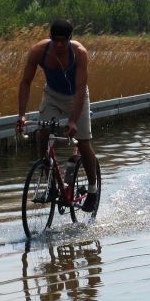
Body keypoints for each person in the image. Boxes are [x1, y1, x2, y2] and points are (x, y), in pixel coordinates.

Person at [15, 19, 99, 212]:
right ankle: (51, 184)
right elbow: (25, 82)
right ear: (50, 37)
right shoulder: (39, 51)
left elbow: (79, 90)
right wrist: (21, 115)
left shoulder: (79, 53)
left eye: (63, 41)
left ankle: (93, 190)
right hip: (52, 95)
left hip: (76, 97)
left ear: (70, 39)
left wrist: (72, 120)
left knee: (84, 141)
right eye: (55, 40)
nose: (59, 45)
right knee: (42, 135)